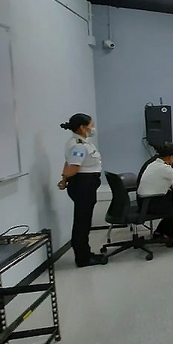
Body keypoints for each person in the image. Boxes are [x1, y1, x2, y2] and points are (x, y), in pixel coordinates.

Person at [58, 113, 107, 268]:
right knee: (82, 223)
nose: (93, 128)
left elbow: (68, 163)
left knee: (84, 221)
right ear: (82, 127)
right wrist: (65, 178)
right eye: (91, 125)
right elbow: (73, 168)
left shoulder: (82, 142)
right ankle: (83, 258)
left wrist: (64, 179)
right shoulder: (78, 145)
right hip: (83, 186)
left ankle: (85, 253)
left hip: (85, 185)